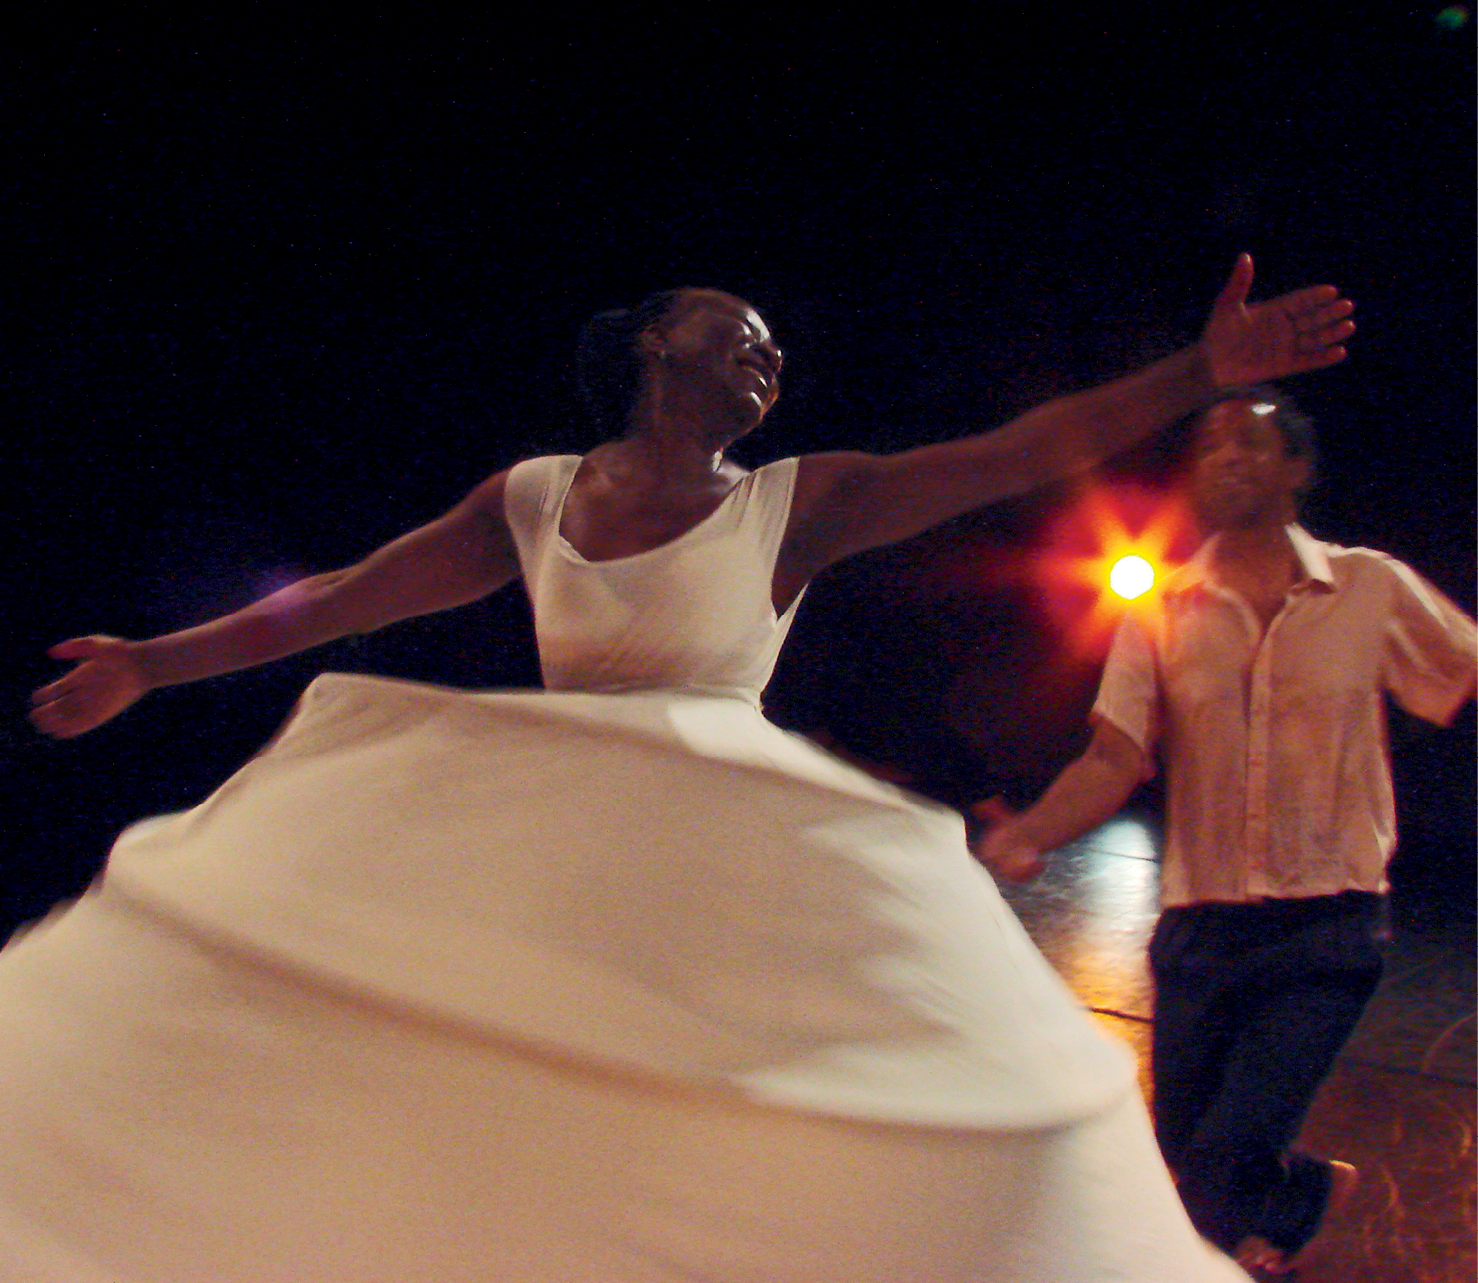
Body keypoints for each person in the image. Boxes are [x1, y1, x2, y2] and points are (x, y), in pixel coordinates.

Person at [4, 259, 1350, 1282]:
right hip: (548, 834)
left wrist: (1195, 370)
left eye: (773, 350)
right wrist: (147, 662)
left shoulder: (796, 500)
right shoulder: (534, 497)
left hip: (717, 848)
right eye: (736, 330)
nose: (766, 355)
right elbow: (341, 600)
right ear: (654, 345)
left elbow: (1016, 454)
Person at [975, 385, 1478, 1275]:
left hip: (1329, 923)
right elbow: (1110, 759)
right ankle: (1294, 1197)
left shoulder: (1367, 586)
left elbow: (1464, 666)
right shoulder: (1163, 605)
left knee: (1214, 1164)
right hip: (1201, 927)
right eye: (1210, 448)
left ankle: (1280, 1209)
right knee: (1191, 1156)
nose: (1226, 461)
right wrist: (1030, 836)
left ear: (1297, 468)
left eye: (1249, 446)